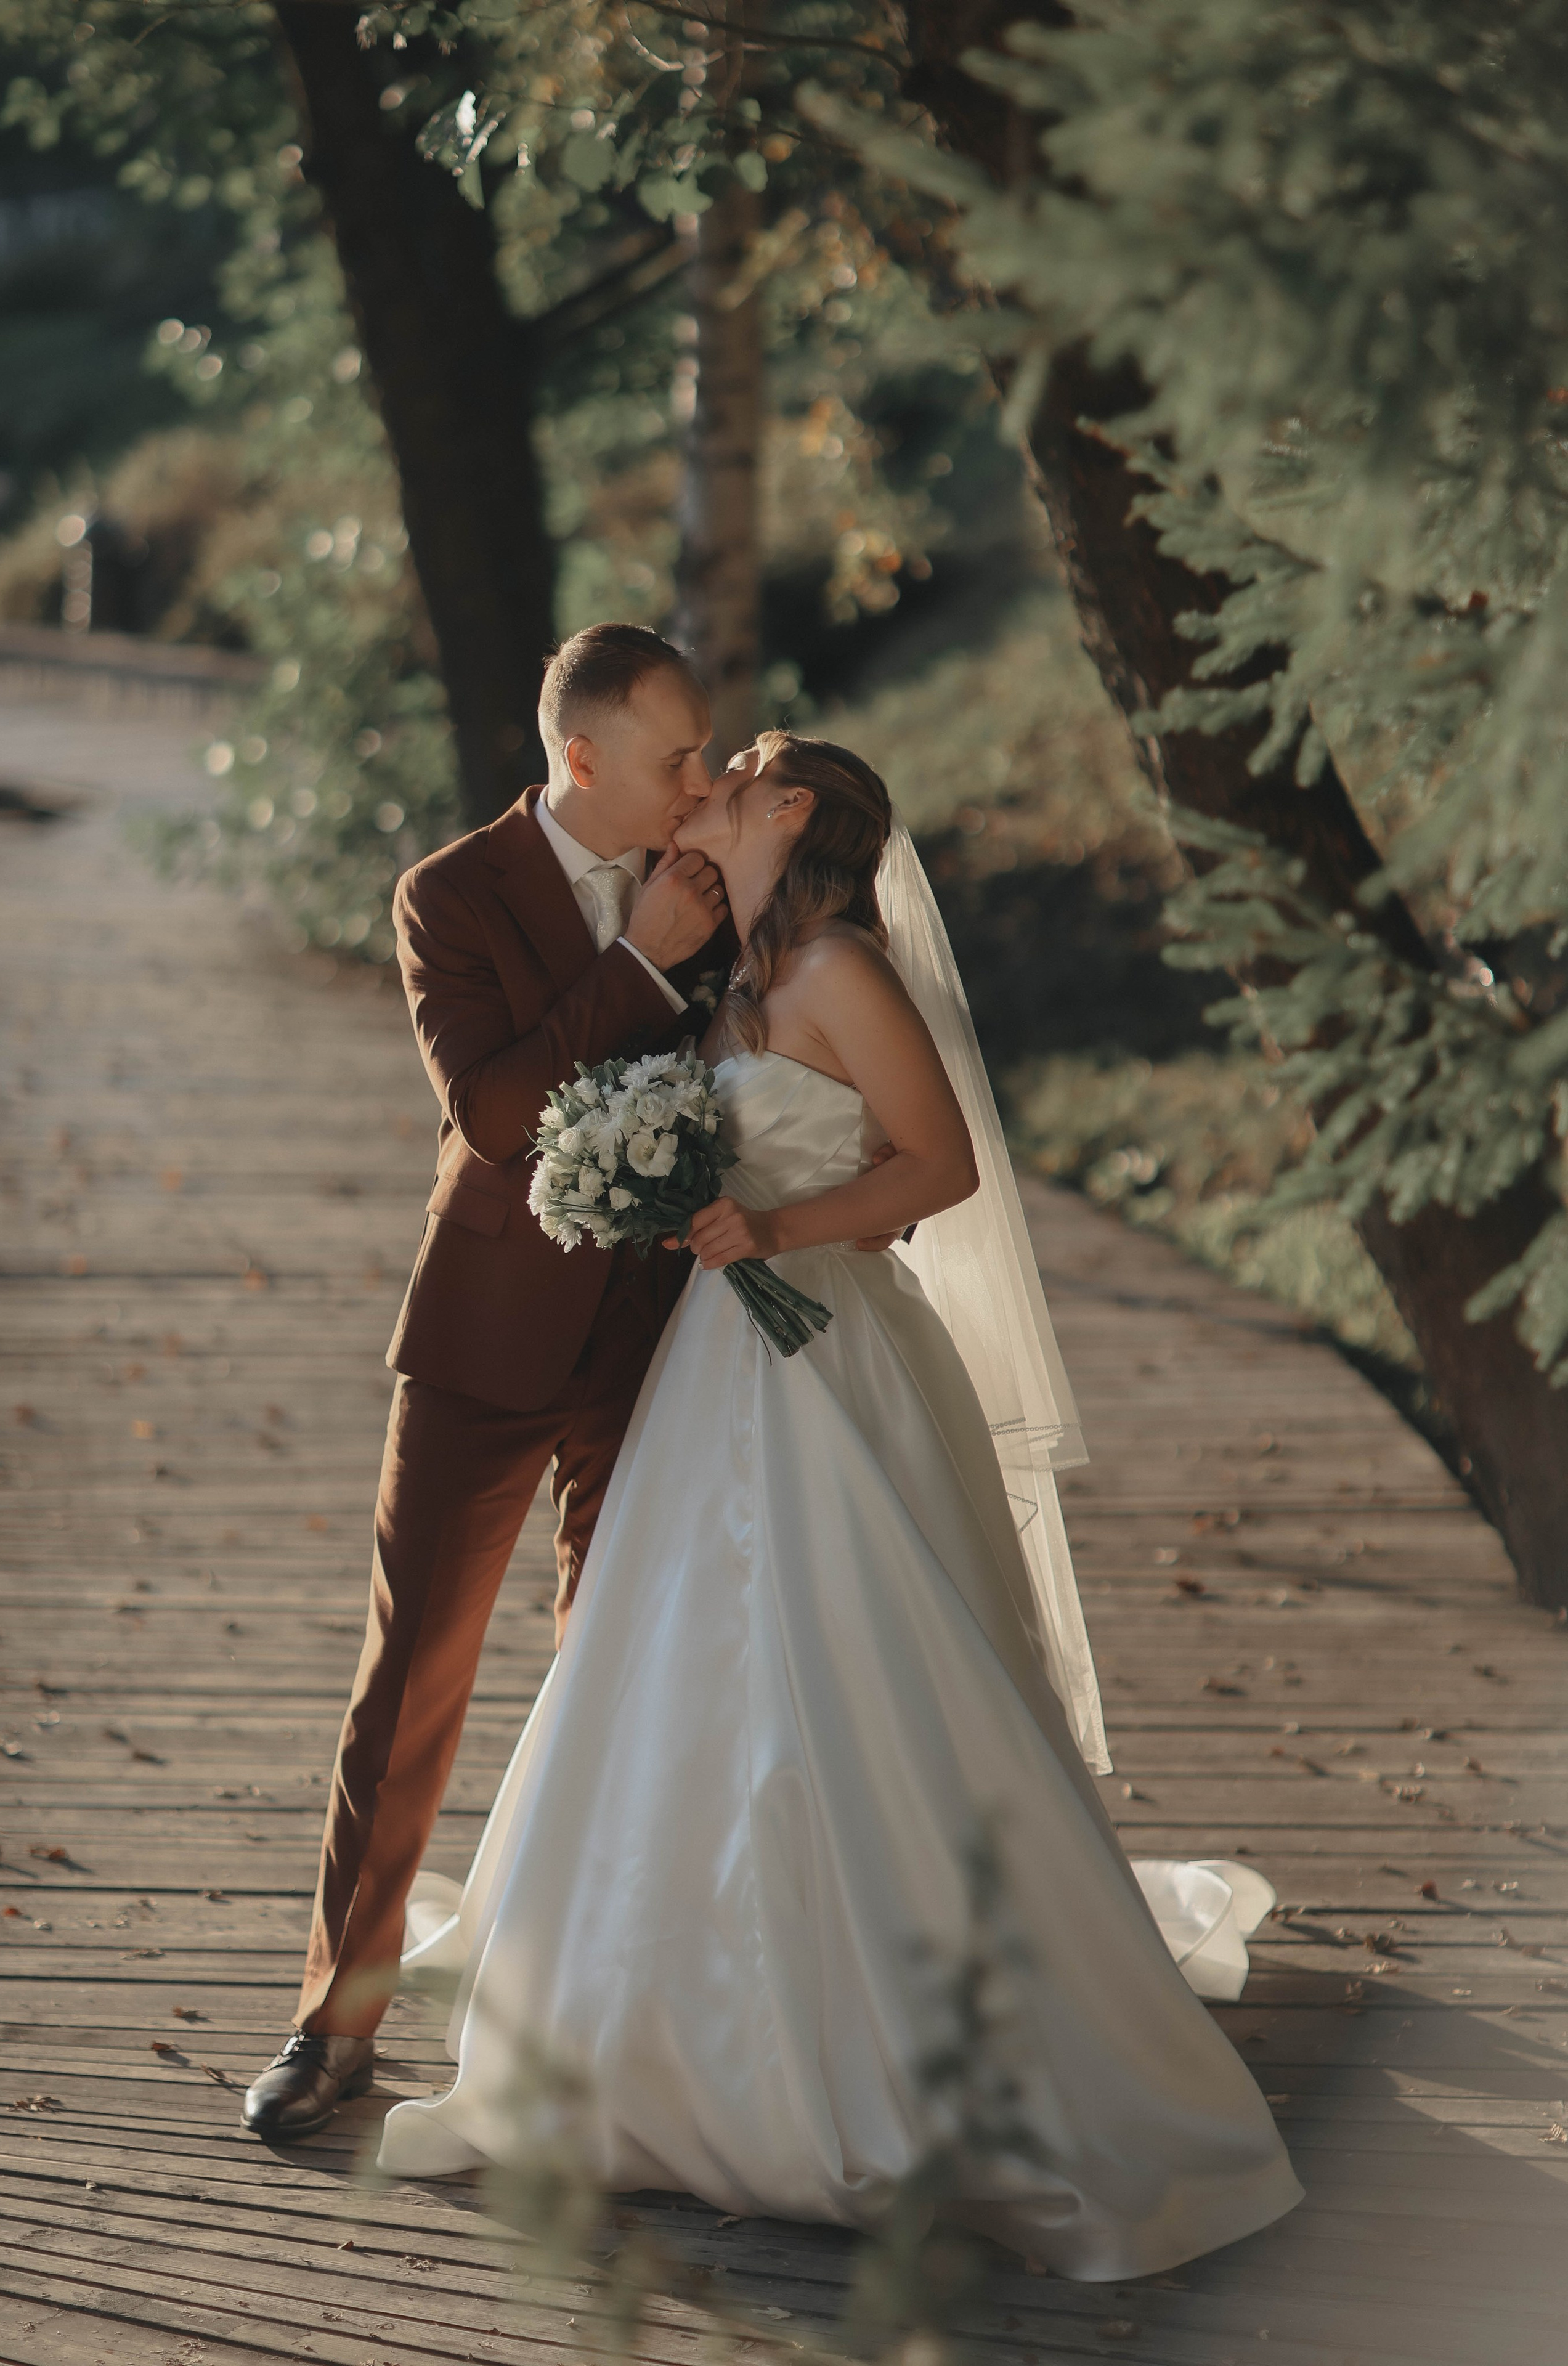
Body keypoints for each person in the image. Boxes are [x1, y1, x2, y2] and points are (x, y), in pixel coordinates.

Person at [371, 731, 1306, 2280]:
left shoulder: (843, 973)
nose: (705, 788)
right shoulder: (741, 974)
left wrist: (781, 1223)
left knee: (855, 1662)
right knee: (674, 1670)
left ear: (791, 809)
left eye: (731, 775)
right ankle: (662, 2033)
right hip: (719, 1363)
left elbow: (935, 1167)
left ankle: (873, 2047)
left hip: (824, 1354)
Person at [241, 624, 749, 2139]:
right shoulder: (447, 896)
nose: (700, 782)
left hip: (663, 1333)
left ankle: (608, 2017)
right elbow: (490, 1111)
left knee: (625, 1672)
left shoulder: (718, 880)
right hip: (486, 1330)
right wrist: (637, 963)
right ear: (578, 758)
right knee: (413, 1681)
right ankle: (335, 2025)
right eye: (674, 759)